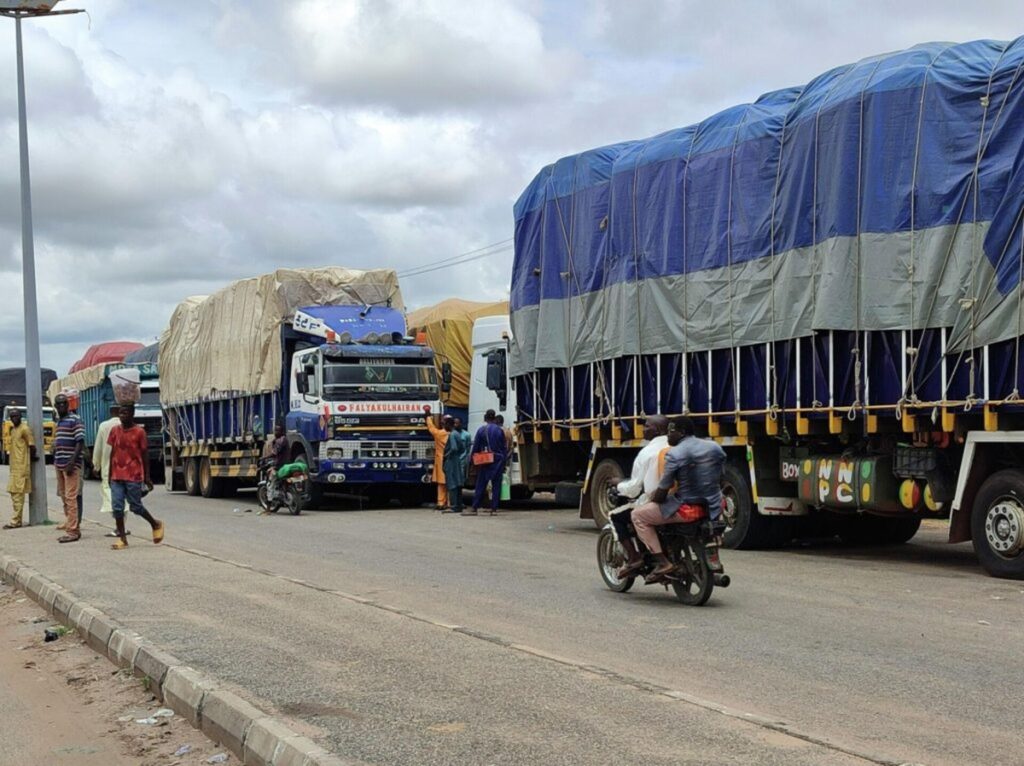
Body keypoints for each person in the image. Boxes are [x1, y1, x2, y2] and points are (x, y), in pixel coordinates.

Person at [625, 416, 726, 578]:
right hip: (714, 505)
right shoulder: (714, 447)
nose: (668, 435)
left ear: (682, 432)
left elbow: (664, 488)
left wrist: (653, 500)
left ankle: (662, 562)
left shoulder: (674, 454)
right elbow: (721, 477)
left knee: (638, 515)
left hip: (686, 506)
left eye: (671, 431)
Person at [607, 415, 669, 577]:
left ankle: (634, 557)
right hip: (676, 499)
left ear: (658, 430)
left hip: (655, 501)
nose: (643, 429)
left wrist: (618, 484)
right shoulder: (675, 447)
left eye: (647, 426)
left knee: (616, 516)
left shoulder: (647, 453)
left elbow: (634, 489)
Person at [108, 403, 165, 550]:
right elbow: (112, 453)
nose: (122, 416)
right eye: (121, 413)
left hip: (133, 475)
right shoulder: (114, 430)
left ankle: (155, 524)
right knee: (117, 507)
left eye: (125, 413)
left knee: (136, 506)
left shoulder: (139, 432)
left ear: (132, 414)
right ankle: (122, 538)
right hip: (116, 475)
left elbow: (145, 455)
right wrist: (109, 474)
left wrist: (147, 477)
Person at [52, 393, 85, 543]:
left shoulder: (75, 420)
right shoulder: (59, 421)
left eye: (63, 403)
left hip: (70, 465)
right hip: (59, 463)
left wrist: (72, 461)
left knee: (71, 498)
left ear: (68, 405)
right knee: (64, 497)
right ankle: (70, 524)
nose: (61, 406)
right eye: (58, 404)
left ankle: (73, 531)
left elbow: (80, 442)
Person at [466, 409, 507, 516]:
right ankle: (494, 509)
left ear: (485, 418)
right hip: (498, 461)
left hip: (485, 461)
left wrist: (472, 461)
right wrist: (504, 462)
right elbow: (504, 447)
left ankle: (474, 508)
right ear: (494, 418)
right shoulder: (500, 431)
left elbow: (476, 447)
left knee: (480, 485)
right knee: (496, 486)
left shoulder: (481, 430)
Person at [3, 409, 37, 529]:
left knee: (18, 494)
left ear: (20, 416)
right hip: (14, 466)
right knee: (13, 492)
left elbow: (32, 446)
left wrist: (31, 458)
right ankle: (17, 519)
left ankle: (16, 521)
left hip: (21, 467)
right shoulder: (13, 430)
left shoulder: (25, 429)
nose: (14, 418)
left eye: (16, 416)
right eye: (12, 416)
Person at [92, 405, 122, 535]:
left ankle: (119, 527)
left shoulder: (104, 426)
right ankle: (122, 526)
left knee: (110, 495)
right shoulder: (127, 425)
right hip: (125, 467)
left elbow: (98, 447)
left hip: (108, 466)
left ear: (110, 412)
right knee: (123, 497)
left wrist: (96, 465)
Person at [424, 407, 451, 510]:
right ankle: (450, 503)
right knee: (451, 483)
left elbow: (431, 428)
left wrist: (428, 417)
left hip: (441, 461)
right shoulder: (456, 435)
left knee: (441, 483)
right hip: (451, 461)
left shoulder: (439, 434)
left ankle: (440, 502)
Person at [442, 416, 468, 514]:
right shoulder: (457, 434)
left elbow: (454, 448)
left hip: (451, 461)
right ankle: (459, 505)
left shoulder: (452, 434)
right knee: (458, 482)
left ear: (448, 424)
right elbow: (462, 448)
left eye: (444, 424)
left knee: (452, 483)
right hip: (457, 460)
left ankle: (453, 506)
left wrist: (446, 455)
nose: (444, 427)